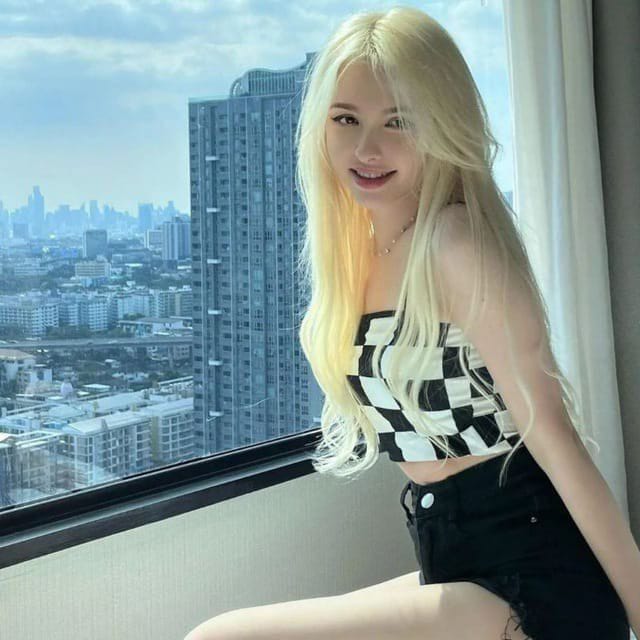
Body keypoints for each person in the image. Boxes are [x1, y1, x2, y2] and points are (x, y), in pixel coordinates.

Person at [184, 5, 637, 639]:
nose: (367, 148)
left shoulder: (454, 244)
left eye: (399, 121)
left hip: (534, 580)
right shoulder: (358, 255)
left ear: (443, 125)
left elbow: (555, 437)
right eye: (347, 119)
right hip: (453, 565)